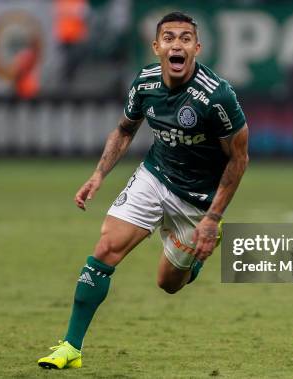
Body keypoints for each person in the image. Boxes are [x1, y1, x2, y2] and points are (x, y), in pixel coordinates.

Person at [37, 11, 249, 369]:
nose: (176, 44)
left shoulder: (217, 96)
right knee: (105, 248)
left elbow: (239, 159)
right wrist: (98, 175)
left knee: (168, 283)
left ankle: (193, 258)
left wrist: (212, 218)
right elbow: (124, 130)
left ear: (197, 47)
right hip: (155, 176)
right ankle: (70, 347)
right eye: (169, 38)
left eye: (185, 38)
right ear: (156, 47)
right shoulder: (145, 83)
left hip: (196, 200)